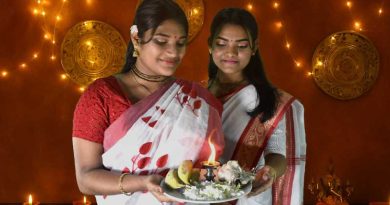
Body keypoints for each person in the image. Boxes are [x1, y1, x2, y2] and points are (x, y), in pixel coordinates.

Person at [72, 0, 224, 204]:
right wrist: (143, 183)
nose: (173, 52)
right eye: (161, 41)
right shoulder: (101, 96)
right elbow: (86, 178)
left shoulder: (195, 98)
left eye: (180, 43)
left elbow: (207, 166)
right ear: (136, 38)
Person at [207, 8, 306, 205]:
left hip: (248, 198)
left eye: (241, 46)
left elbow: (278, 154)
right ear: (210, 46)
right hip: (200, 195)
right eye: (221, 43)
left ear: (254, 48)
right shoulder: (196, 96)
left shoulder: (270, 100)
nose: (231, 52)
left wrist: (270, 172)